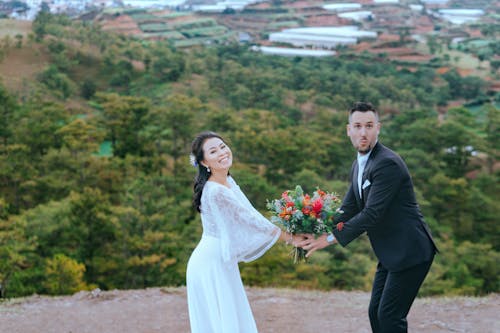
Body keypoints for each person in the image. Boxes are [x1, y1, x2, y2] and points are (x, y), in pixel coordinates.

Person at [297, 102, 438, 333]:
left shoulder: (387, 163)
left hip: (412, 250)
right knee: (376, 313)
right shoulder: (359, 165)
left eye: (369, 126)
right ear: (348, 130)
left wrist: (330, 239)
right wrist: (315, 229)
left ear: (378, 128)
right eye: (358, 126)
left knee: (390, 317)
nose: (363, 132)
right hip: (391, 252)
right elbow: (348, 208)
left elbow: (371, 214)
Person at [186, 131, 301, 333]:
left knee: (229, 319)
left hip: (219, 259)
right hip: (210, 262)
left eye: (222, 146)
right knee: (223, 322)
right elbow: (251, 221)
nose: (222, 152)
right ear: (204, 162)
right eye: (213, 151)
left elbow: (251, 214)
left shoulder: (227, 181)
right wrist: (291, 238)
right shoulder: (216, 191)